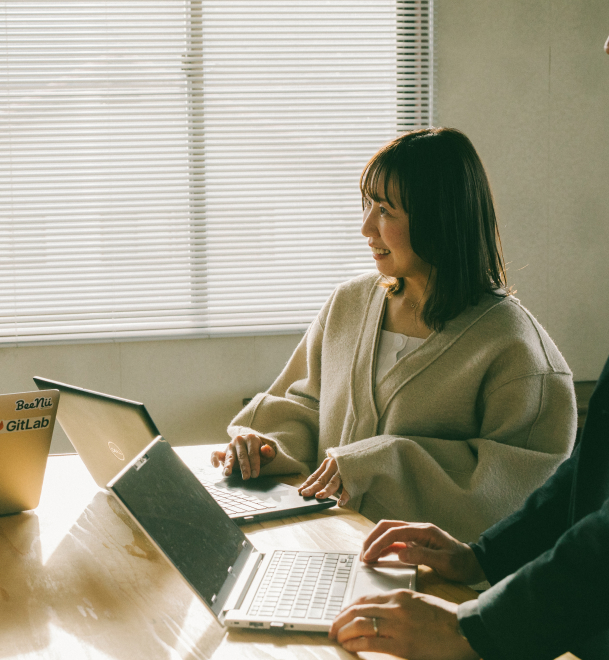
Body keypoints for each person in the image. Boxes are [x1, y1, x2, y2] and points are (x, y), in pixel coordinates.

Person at [326, 6, 609, 659]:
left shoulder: (512, 344)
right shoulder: (352, 303)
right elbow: (603, 469)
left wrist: (479, 628)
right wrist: (481, 558)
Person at [211, 128, 576, 542]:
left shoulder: (518, 351)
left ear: (439, 218)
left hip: (427, 580)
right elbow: (303, 404)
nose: (367, 227)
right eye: (368, 205)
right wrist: (268, 447)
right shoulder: (347, 304)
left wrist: (381, 461)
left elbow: (519, 493)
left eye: (384, 210)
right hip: (323, 540)